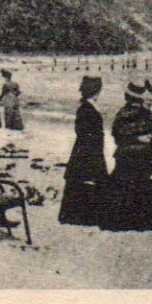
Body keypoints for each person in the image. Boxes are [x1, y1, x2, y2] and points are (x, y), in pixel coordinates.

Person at [101, 79, 152, 232]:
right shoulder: (143, 114)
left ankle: (125, 218)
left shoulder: (122, 113)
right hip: (142, 158)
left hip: (125, 158)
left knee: (124, 188)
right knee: (145, 187)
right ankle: (148, 219)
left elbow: (118, 134)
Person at [59, 75, 108, 226]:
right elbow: (86, 132)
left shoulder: (85, 108)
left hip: (84, 148)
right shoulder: (88, 109)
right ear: (96, 92)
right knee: (89, 179)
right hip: (89, 149)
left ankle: (80, 214)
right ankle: (87, 216)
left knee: (80, 181)